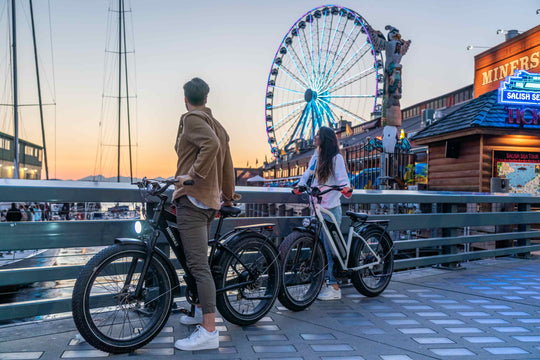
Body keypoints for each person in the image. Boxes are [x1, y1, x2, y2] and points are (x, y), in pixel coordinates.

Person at [172, 77, 240, 351]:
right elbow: (227, 163)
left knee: (198, 266)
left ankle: (209, 331)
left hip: (193, 198)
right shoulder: (219, 126)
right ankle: (200, 311)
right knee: (196, 260)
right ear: (207, 98)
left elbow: (209, 145)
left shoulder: (191, 119)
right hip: (209, 201)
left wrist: (193, 176)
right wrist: (227, 194)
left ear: (185, 98)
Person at [293, 127, 352, 301]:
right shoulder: (316, 156)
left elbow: (343, 180)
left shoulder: (336, 158)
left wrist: (346, 189)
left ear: (325, 139)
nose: (315, 136)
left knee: (329, 248)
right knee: (318, 246)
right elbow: (308, 173)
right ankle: (323, 282)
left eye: (318, 135)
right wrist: (300, 185)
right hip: (317, 206)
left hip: (330, 208)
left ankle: (334, 287)